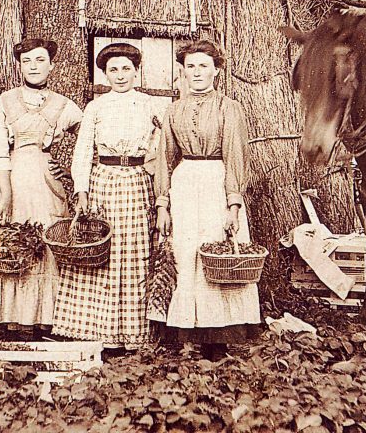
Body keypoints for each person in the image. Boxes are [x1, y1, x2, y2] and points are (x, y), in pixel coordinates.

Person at [149, 40, 260, 360]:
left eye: (203, 66)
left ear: (216, 71)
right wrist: (162, 205)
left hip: (216, 186)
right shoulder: (173, 110)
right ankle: (187, 335)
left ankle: (218, 340)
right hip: (184, 187)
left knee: (217, 253)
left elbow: (236, 156)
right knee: (186, 256)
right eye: (190, 66)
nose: (197, 72)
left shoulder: (229, 107)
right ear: (182, 72)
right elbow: (164, 160)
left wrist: (233, 204)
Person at [52, 42, 159, 349]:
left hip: (138, 184)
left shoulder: (150, 105)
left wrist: (154, 170)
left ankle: (134, 333)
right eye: (113, 70)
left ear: (137, 72)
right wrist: (82, 190)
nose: (121, 75)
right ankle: (100, 332)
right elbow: (83, 150)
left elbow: (164, 145)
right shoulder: (96, 107)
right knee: (103, 253)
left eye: (127, 69)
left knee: (134, 254)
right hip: (103, 185)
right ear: (105, 74)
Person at [0, 38, 83, 336]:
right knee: (13, 238)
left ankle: (46, 320)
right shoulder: (6, 101)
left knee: (47, 241)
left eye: (40, 60)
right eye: (27, 61)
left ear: (51, 65)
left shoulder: (64, 105)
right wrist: (4, 192)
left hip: (47, 181)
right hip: (11, 176)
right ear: (19, 66)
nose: (34, 67)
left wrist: (70, 172)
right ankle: (10, 319)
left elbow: (89, 140)